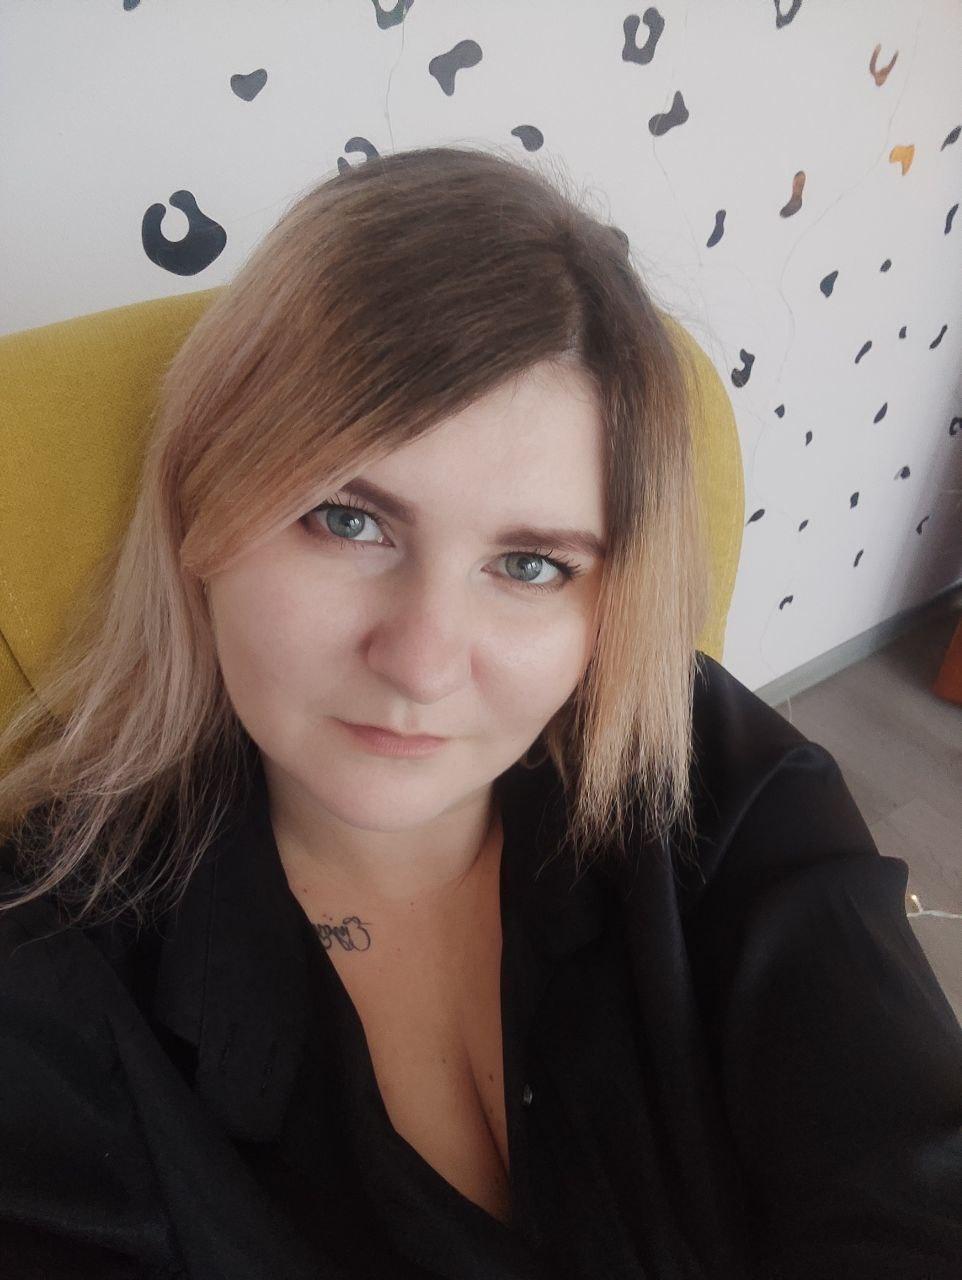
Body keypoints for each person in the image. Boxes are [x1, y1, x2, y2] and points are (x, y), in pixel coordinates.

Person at [0, 146, 959, 1280]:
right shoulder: (46, 965)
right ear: (199, 501)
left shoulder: (713, 771)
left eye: (529, 564)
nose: (420, 661)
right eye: (346, 520)